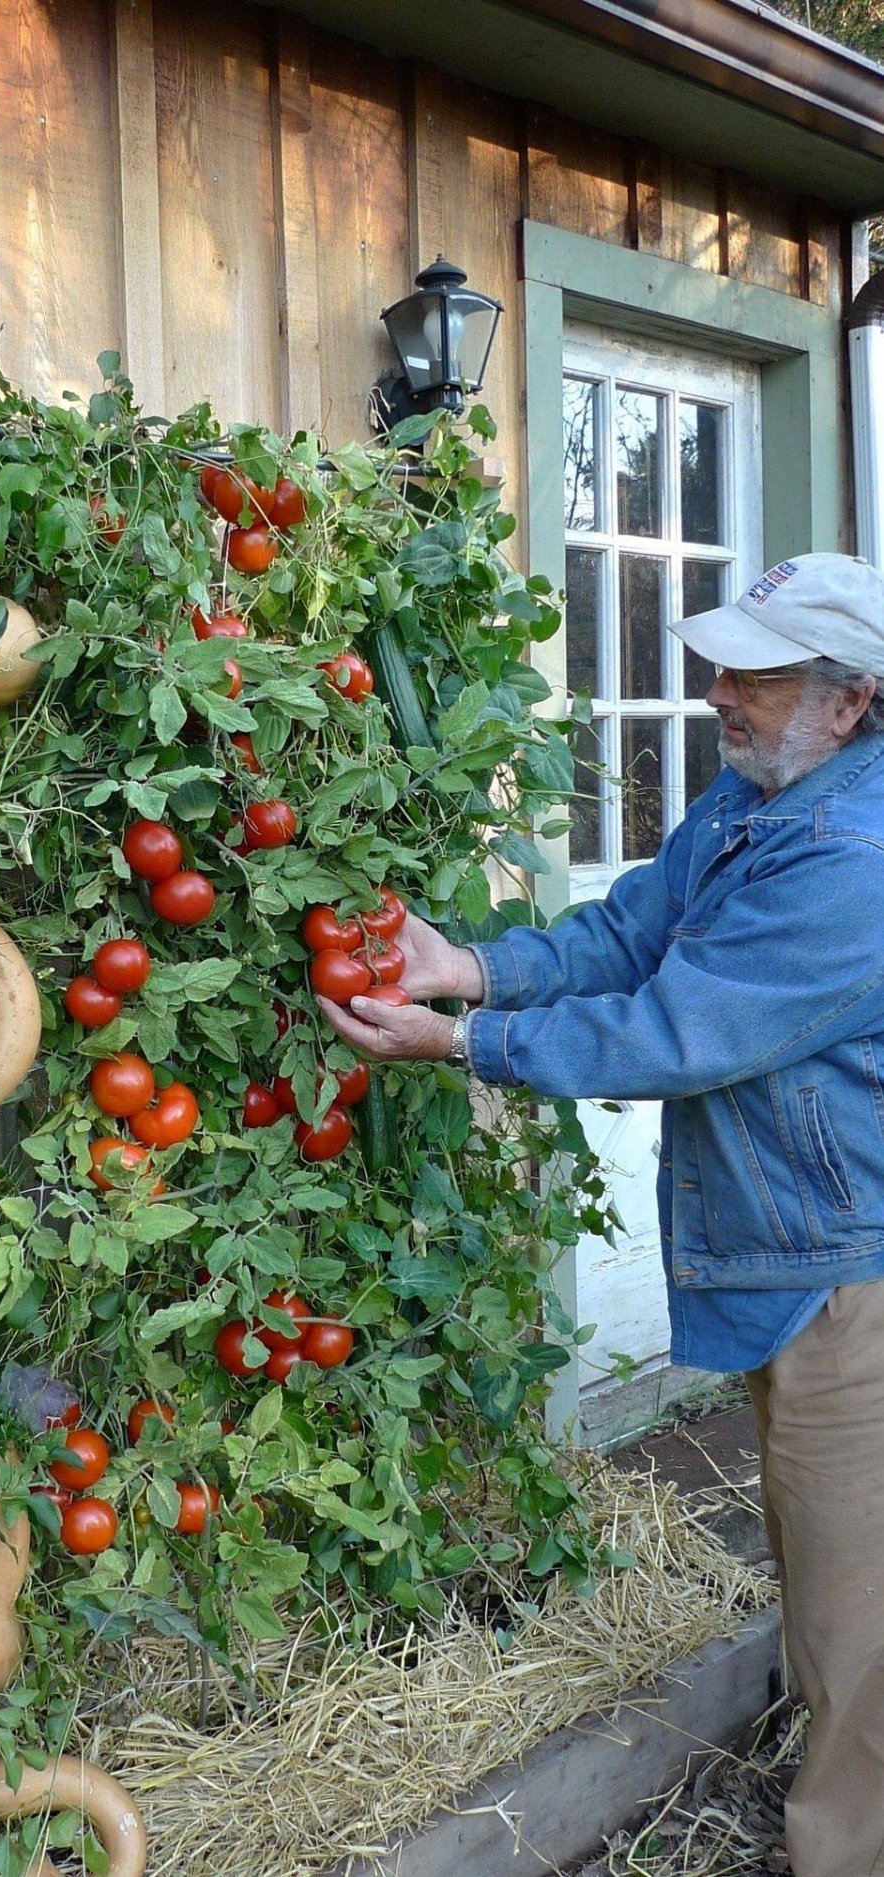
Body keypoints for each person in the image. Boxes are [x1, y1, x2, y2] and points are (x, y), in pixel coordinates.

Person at [318, 552, 884, 1877]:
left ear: (845, 702)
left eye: (750, 673)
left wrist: (464, 1043)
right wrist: (470, 963)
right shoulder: (761, 799)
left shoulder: (853, 862)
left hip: (854, 1275)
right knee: (821, 1562)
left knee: (860, 1611)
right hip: (798, 1253)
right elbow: (635, 930)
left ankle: (838, 1848)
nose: (713, 693)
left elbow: (677, 1026)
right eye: (722, 666)